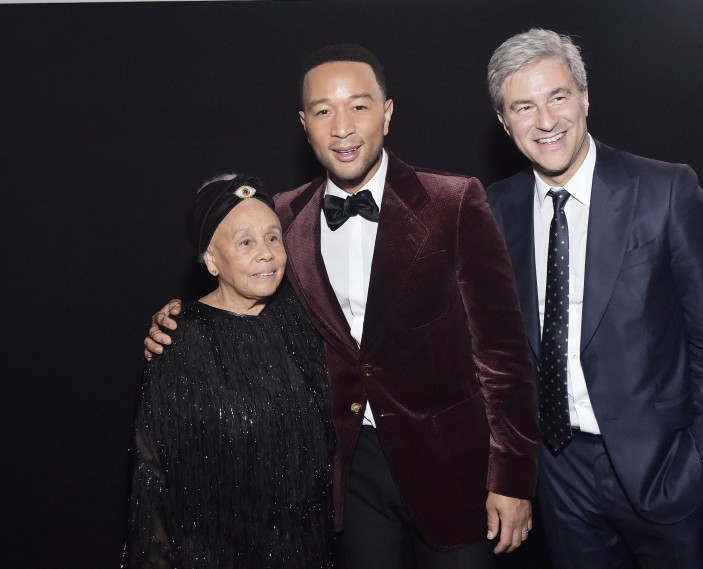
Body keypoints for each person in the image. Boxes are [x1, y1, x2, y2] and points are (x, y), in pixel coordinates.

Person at [145, 45, 541, 568]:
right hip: (342, 474)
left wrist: (513, 477)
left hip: (452, 467)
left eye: (358, 106)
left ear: (388, 112)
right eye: (323, 111)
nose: (342, 127)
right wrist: (184, 321)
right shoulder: (282, 215)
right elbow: (243, 291)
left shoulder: (455, 201)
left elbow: (504, 354)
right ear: (304, 124)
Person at [485, 29, 703, 568]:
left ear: (584, 96)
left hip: (667, 465)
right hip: (560, 474)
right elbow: (496, 352)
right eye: (524, 107)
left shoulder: (666, 191)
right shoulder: (495, 208)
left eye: (557, 96)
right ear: (506, 123)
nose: (546, 120)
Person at [125, 174, 334, 569]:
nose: (266, 253)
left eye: (273, 237)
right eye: (245, 242)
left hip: (308, 550)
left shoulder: (305, 320)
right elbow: (153, 476)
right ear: (210, 259)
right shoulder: (178, 343)